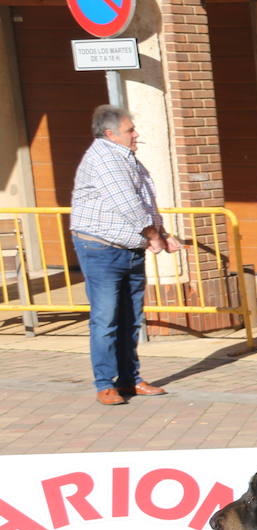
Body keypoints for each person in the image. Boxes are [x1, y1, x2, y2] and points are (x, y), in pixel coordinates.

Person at [70, 104, 181, 406]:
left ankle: (129, 378)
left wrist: (164, 234)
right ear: (110, 134)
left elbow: (145, 201)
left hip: (131, 249)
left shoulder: (126, 157)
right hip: (102, 249)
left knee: (131, 319)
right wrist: (154, 238)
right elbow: (128, 204)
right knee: (106, 320)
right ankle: (105, 384)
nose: (136, 134)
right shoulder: (105, 158)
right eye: (130, 129)